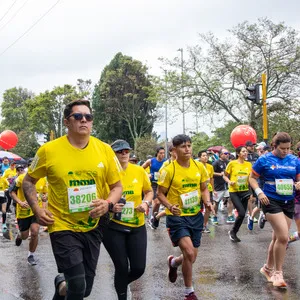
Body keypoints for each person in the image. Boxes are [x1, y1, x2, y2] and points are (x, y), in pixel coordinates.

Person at [22, 99, 123, 300]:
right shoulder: (48, 151)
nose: (84, 120)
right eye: (78, 116)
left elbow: (117, 187)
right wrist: (37, 208)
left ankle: (61, 283)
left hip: (93, 225)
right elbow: (28, 181)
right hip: (61, 224)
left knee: (83, 289)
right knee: (77, 285)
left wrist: (108, 203)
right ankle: (67, 283)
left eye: (88, 117)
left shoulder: (104, 149)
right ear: (67, 122)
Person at [157, 134, 214, 300]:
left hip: (195, 215)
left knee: (192, 256)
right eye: (183, 146)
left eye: (189, 145)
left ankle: (174, 263)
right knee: (189, 252)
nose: (187, 149)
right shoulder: (168, 170)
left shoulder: (199, 167)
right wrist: (169, 206)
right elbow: (160, 193)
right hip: (177, 217)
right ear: (174, 150)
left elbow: (204, 188)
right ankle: (189, 292)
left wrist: (208, 202)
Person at [102, 139, 153, 300]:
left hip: (137, 225)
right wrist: (111, 207)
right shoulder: (105, 174)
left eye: (126, 151)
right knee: (122, 266)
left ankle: (121, 283)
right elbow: (98, 198)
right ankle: (122, 295)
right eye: (120, 151)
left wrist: (145, 203)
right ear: (113, 155)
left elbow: (149, 191)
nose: (124, 154)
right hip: (113, 226)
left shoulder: (139, 171)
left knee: (138, 268)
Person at [249, 132, 300, 288]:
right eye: (282, 148)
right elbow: (252, 178)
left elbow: (298, 178)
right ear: (274, 146)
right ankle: (277, 273)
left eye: (288, 148)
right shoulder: (264, 160)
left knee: (277, 238)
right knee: (284, 237)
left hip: (288, 200)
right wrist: (260, 192)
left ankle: (267, 268)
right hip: (270, 200)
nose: (285, 151)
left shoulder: (294, 160)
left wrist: (298, 183)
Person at [10, 164, 45, 265]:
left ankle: (31, 255)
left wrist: (43, 205)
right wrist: (20, 202)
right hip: (23, 212)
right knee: (25, 236)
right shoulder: (21, 178)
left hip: (36, 211)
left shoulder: (43, 180)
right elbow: (12, 192)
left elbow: (44, 194)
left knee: (34, 232)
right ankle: (19, 236)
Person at [224, 146, 252, 242]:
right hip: (234, 191)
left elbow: (251, 178)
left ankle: (233, 232)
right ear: (238, 153)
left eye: (246, 151)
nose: (245, 153)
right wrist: (229, 181)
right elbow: (225, 176)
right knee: (241, 212)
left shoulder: (249, 164)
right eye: (243, 151)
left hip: (245, 191)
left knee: (242, 215)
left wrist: (252, 191)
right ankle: (233, 232)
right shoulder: (232, 164)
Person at [142, 146, 166, 229]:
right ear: (157, 153)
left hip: (162, 184)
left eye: (163, 153)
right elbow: (141, 169)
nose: (162, 155)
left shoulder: (166, 161)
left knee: (159, 203)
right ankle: (152, 217)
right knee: (157, 202)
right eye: (161, 153)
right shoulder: (151, 161)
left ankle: (154, 218)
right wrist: (147, 175)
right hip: (153, 184)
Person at [212, 148, 235, 225]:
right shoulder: (216, 163)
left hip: (227, 185)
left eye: (228, 153)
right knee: (216, 202)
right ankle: (214, 216)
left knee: (230, 199)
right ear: (221, 154)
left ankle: (230, 215)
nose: (227, 155)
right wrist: (219, 174)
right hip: (218, 186)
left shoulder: (229, 163)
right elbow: (210, 173)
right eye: (225, 153)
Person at [198, 150, 214, 232]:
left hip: (208, 190)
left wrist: (213, 190)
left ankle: (204, 225)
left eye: (206, 155)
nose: (205, 157)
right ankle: (198, 225)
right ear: (199, 158)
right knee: (199, 209)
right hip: (199, 190)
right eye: (203, 156)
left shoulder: (210, 167)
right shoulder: (197, 166)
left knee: (208, 207)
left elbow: (211, 179)